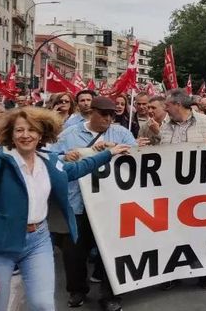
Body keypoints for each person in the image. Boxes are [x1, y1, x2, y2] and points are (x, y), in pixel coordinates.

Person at [0, 107, 129, 311]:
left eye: (32, 130)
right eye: (19, 130)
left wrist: (108, 154)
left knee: (44, 305)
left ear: (41, 134)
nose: (26, 135)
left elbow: (75, 170)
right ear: (10, 134)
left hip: (38, 241)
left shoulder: (48, 161)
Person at [49, 96, 137, 310]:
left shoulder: (121, 133)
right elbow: (51, 160)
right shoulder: (69, 134)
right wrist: (65, 156)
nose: (108, 118)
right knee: (74, 252)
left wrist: (115, 148)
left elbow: (136, 158)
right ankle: (77, 290)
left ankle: (110, 295)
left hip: (110, 204)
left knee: (111, 250)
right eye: (103, 114)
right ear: (92, 113)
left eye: (111, 115)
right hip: (77, 202)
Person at [147, 90, 206, 291]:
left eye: (168, 106)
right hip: (171, 188)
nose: (165, 109)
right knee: (172, 232)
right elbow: (161, 152)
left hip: (199, 188)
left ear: (178, 104)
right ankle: (171, 273)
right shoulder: (164, 127)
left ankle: (205, 274)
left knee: (201, 232)